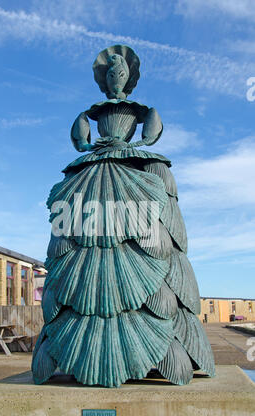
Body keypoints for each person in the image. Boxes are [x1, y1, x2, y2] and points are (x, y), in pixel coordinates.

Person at [32, 45, 215, 387]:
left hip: (142, 292)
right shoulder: (146, 168)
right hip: (93, 175)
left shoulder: (132, 169)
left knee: (158, 282)